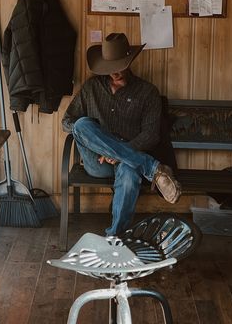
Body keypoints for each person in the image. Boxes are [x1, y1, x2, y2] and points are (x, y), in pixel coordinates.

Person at [62, 32, 181, 236]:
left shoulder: (147, 92)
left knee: (128, 176)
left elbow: (151, 135)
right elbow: (67, 122)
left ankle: (115, 238)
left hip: (129, 160)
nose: (116, 72)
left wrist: (118, 152)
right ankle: (153, 169)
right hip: (97, 162)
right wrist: (101, 145)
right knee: (81, 125)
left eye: (121, 66)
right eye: (111, 68)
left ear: (130, 61)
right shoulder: (92, 87)